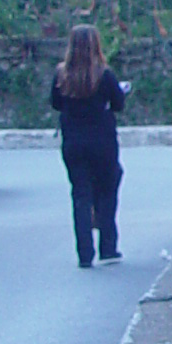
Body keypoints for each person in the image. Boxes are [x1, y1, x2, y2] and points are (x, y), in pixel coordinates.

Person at [50, 22, 128, 268]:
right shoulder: (104, 75)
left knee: (80, 196)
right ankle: (108, 246)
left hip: (73, 143)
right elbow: (118, 104)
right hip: (102, 143)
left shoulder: (61, 75)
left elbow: (55, 103)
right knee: (107, 190)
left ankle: (85, 253)